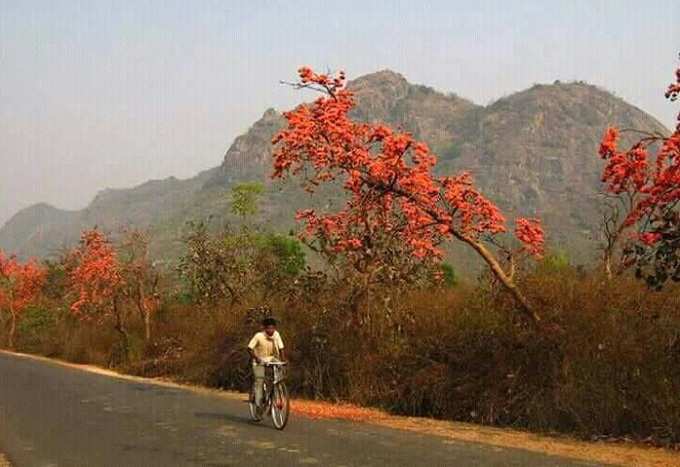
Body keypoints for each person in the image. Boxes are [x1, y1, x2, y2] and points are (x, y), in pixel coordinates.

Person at [247, 317, 285, 411]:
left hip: (271, 358)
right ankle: (258, 403)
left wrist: (283, 360)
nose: (271, 330)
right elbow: (249, 348)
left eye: (273, 328)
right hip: (259, 360)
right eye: (269, 328)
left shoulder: (276, 335)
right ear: (265, 328)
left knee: (280, 370)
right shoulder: (258, 336)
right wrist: (256, 358)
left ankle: (278, 388)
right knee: (259, 381)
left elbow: (281, 348)